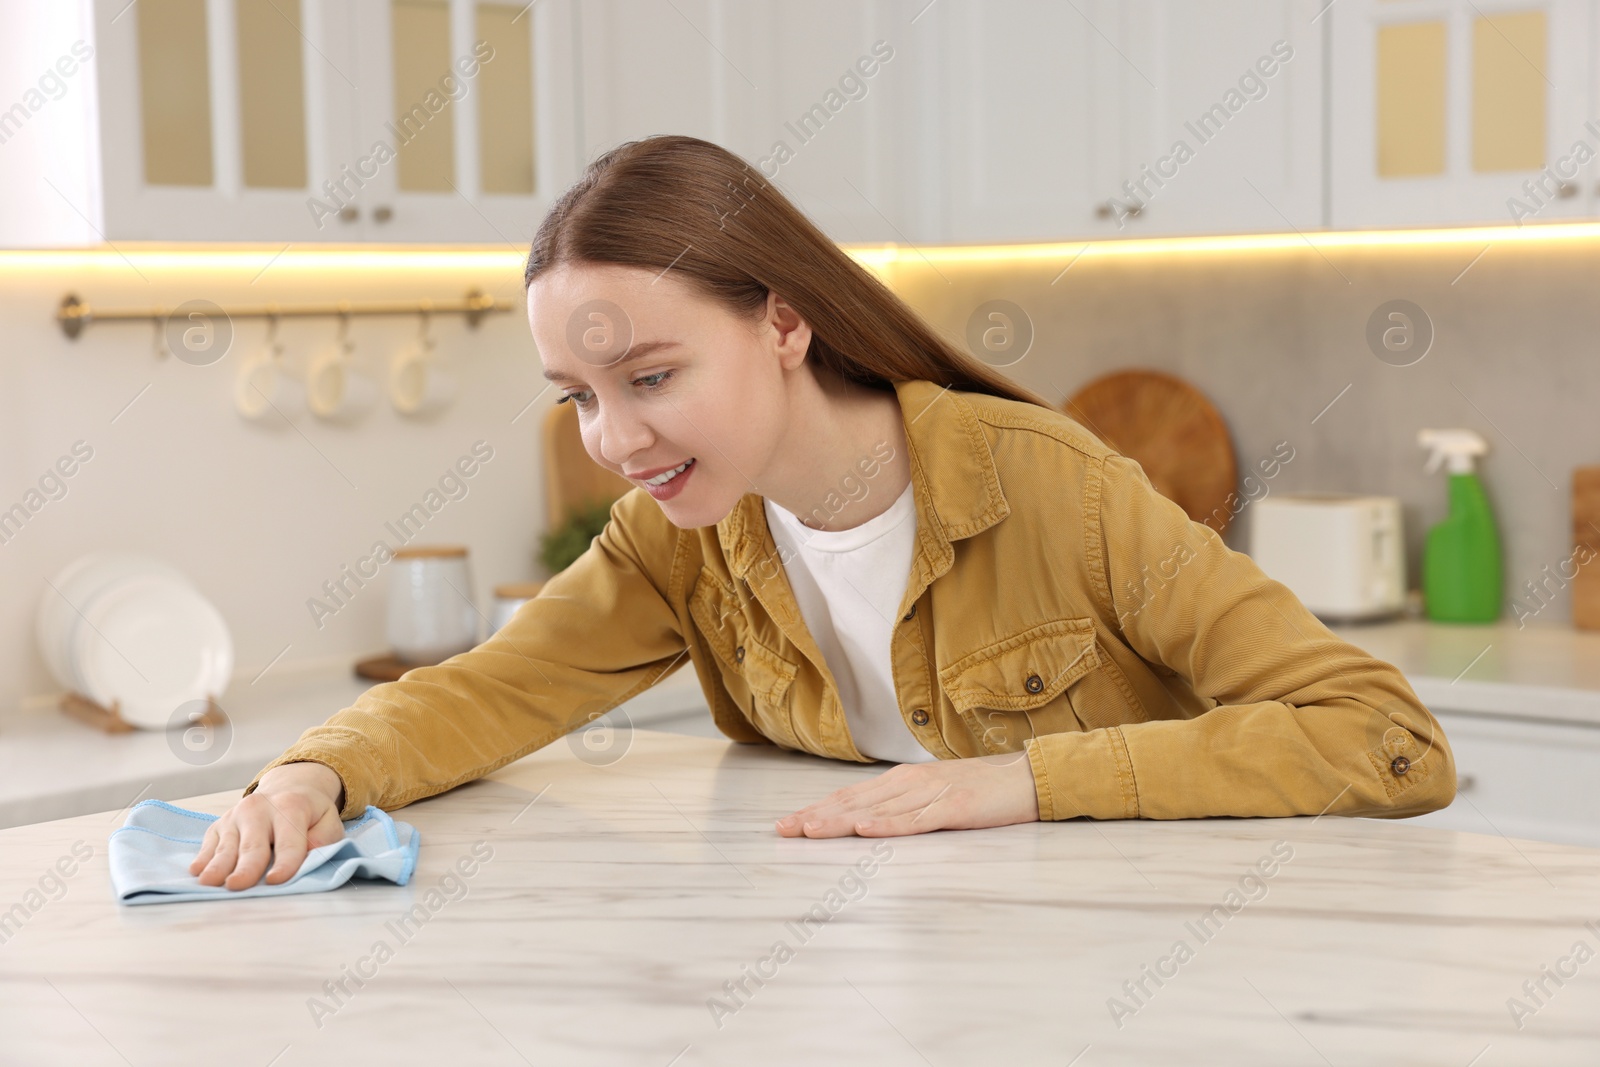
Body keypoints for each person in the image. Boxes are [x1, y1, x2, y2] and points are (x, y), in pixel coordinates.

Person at [191, 135, 1454, 891]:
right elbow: (489, 687)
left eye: (652, 376)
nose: (614, 440)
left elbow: (1385, 737)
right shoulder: (681, 537)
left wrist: (1018, 781)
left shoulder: (1049, 486)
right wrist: (316, 770)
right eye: (579, 395)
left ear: (784, 324)